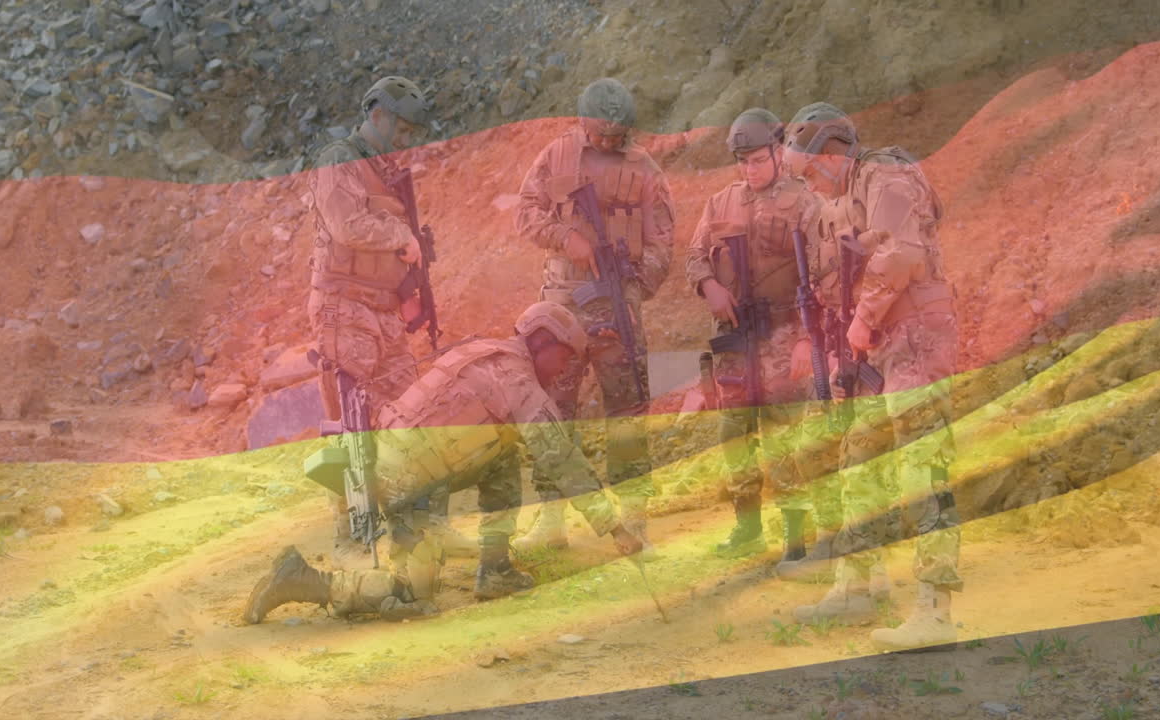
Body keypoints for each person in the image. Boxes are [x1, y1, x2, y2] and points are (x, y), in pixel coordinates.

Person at [243, 303, 644, 625]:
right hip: (406, 481)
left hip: (397, 459)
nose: (565, 369)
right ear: (542, 341)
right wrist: (615, 527)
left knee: (503, 453)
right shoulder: (517, 380)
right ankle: (302, 580)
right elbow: (564, 461)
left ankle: (496, 569)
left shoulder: (486, 352)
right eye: (564, 356)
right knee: (412, 596)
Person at [783, 102, 962, 650]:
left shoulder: (888, 178)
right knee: (857, 458)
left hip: (913, 336)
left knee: (921, 460)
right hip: (871, 343)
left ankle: (935, 609)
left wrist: (860, 323)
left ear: (833, 154)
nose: (810, 185)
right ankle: (857, 585)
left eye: (811, 172)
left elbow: (901, 255)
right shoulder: (838, 200)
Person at [307, 76, 473, 563]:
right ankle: (355, 538)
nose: (406, 139)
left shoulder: (387, 172)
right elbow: (346, 225)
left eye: (410, 131)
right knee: (354, 426)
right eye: (401, 128)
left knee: (408, 417)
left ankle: (418, 529)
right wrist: (400, 234)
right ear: (376, 114)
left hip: (382, 312)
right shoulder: (340, 160)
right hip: (345, 308)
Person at [513, 78, 675, 554]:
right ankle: (552, 516)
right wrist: (568, 240)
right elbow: (525, 213)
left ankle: (633, 514)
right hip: (564, 300)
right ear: (582, 121)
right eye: (601, 134)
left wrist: (634, 286)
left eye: (616, 135)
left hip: (617, 301)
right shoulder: (555, 156)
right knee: (555, 407)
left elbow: (663, 237)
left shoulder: (644, 168)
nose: (608, 142)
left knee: (627, 408)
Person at [683, 108, 840, 576]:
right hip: (735, 340)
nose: (748, 170)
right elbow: (694, 256)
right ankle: (748, 528)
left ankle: (796, 538)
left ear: (776, 152)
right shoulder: (721, 203)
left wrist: (809, 340)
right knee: (735, 435)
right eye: (741, 162)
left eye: (755, 160)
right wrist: (708, 285)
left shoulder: (804, 203)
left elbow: (824, 274)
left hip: (785, 331)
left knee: (784, 436)